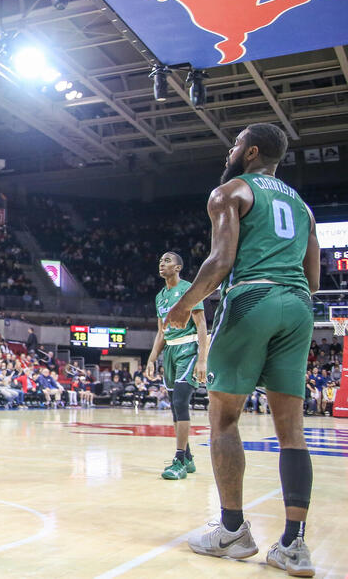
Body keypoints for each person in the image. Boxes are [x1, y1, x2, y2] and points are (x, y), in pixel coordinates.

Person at [166, 124, 320, 574]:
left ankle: (232, 531)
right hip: (299, 307)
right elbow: (313, 280)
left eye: (234, 144)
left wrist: (183, 305)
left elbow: (220, 262)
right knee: (292, 430)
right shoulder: (303, 207)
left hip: (253, 297)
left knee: (224, 417)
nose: (229, 151)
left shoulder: (230, 191)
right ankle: (293, 546)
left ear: (251, 152)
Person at [145, 251, 210, 480]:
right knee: (175, 406)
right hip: (170, 352)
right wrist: (152, 358)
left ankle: (179, 460)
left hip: (189, 349)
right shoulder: (160, 297)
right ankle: (189, 458)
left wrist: (202, 359)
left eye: (167, 260)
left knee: (180, 401)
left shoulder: (189, 290)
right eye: (160, 260)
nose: (162, 263)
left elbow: (202, 326)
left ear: (178, 267)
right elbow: (161, 332)